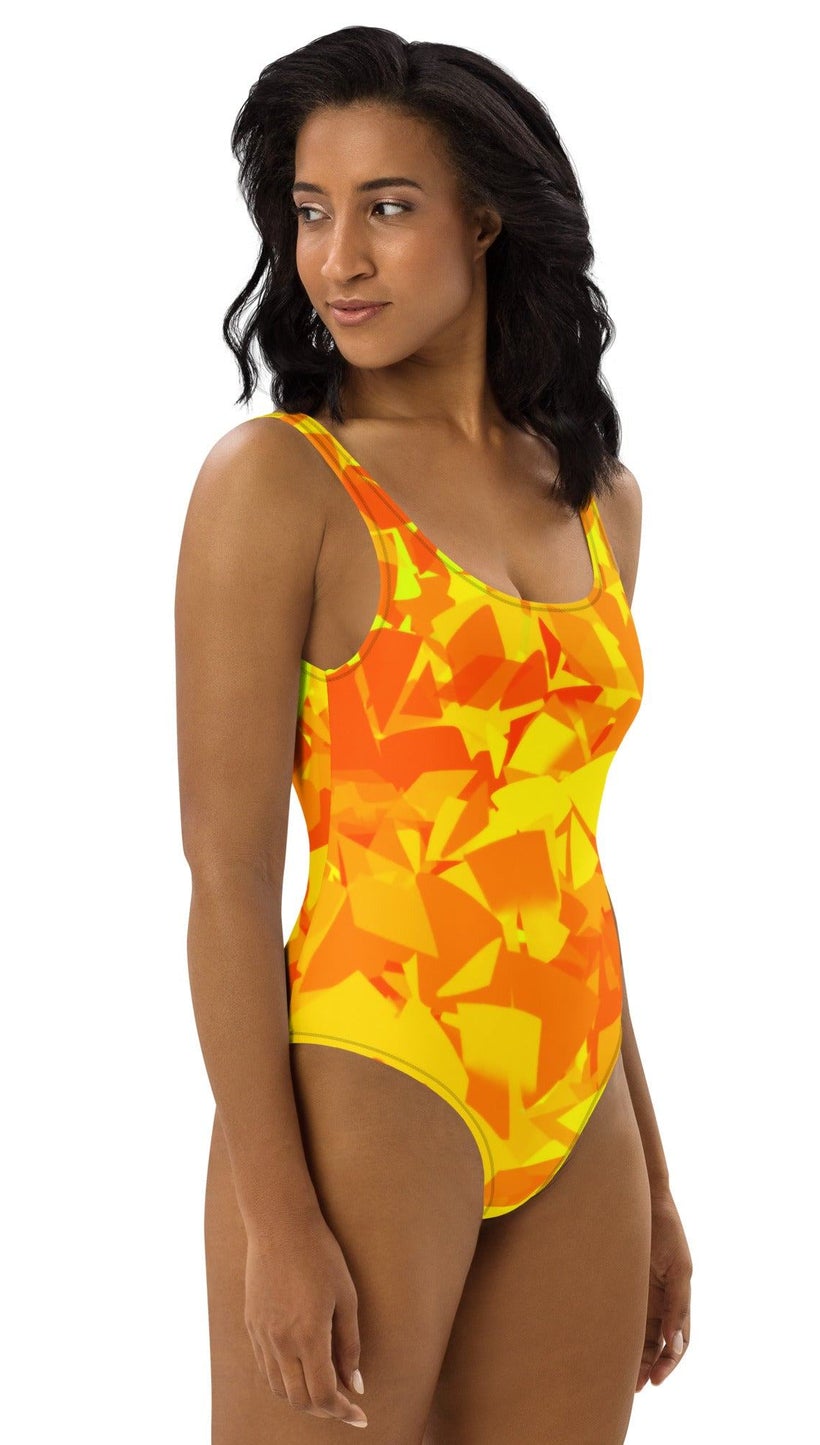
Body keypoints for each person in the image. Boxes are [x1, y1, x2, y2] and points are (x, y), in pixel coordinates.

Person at [174, 26, 691, 1442]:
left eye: (386, 208)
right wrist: (276, 1220)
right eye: (309, 212)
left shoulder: (598, 498)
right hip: (374, 1070)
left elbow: (564, 850)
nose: (336, 259)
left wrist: (651, 1171)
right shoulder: (282, 483)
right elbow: (226, 876)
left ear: (485, 221)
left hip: (578, 1096)